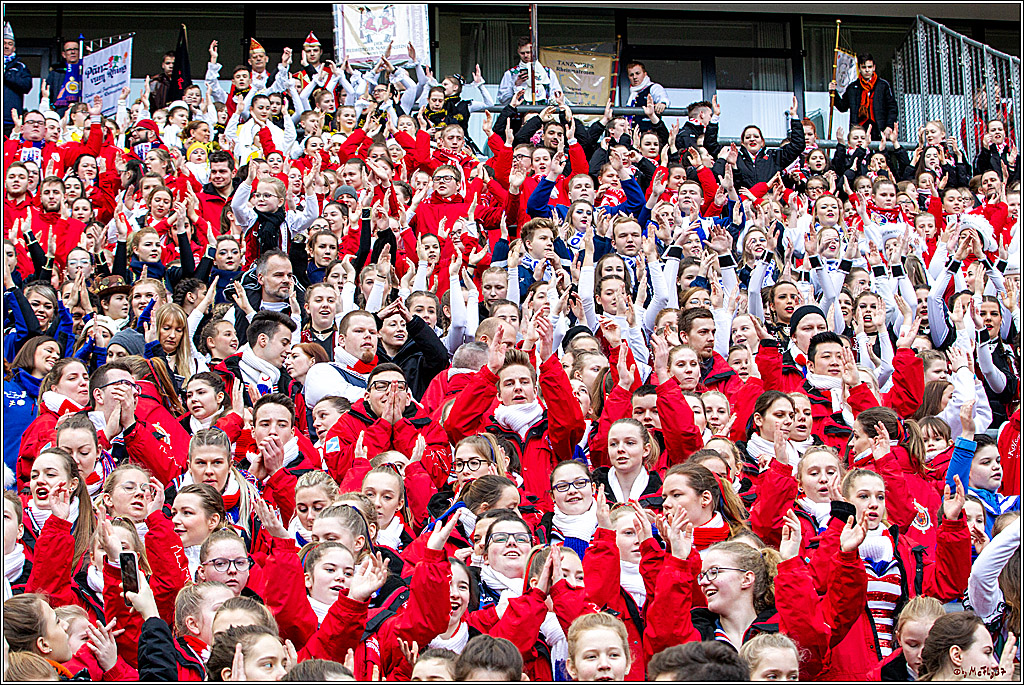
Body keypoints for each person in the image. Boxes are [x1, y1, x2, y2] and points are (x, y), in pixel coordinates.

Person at [830, 53, 898, 141]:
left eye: (869, 67)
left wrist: (889, 126)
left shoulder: (883, 86)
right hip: (859, 130)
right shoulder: (852, 87)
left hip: (880, 128)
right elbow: (843, 107)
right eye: (864, 67)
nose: (867, 70)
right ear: (859, 69)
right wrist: (833, 93)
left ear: (874, 67)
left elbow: (892, 108)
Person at [496, 37, 562, 106]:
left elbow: (557, 95)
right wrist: (516, 85)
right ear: (518, 52)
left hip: (543, 112)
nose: (526, 56)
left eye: (528, 52)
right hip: (519, 114)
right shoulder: (510, 74)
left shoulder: (548, 73)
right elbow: (502, 100)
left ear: (534, 51)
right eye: (522, 53)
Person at [3, 22, 32, 137]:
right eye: (4, 43)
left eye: (9, 44)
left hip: (10, 119)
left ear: (14, 48)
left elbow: (26, 86)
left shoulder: (20, 67)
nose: (6, 46)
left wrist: (7, 75)